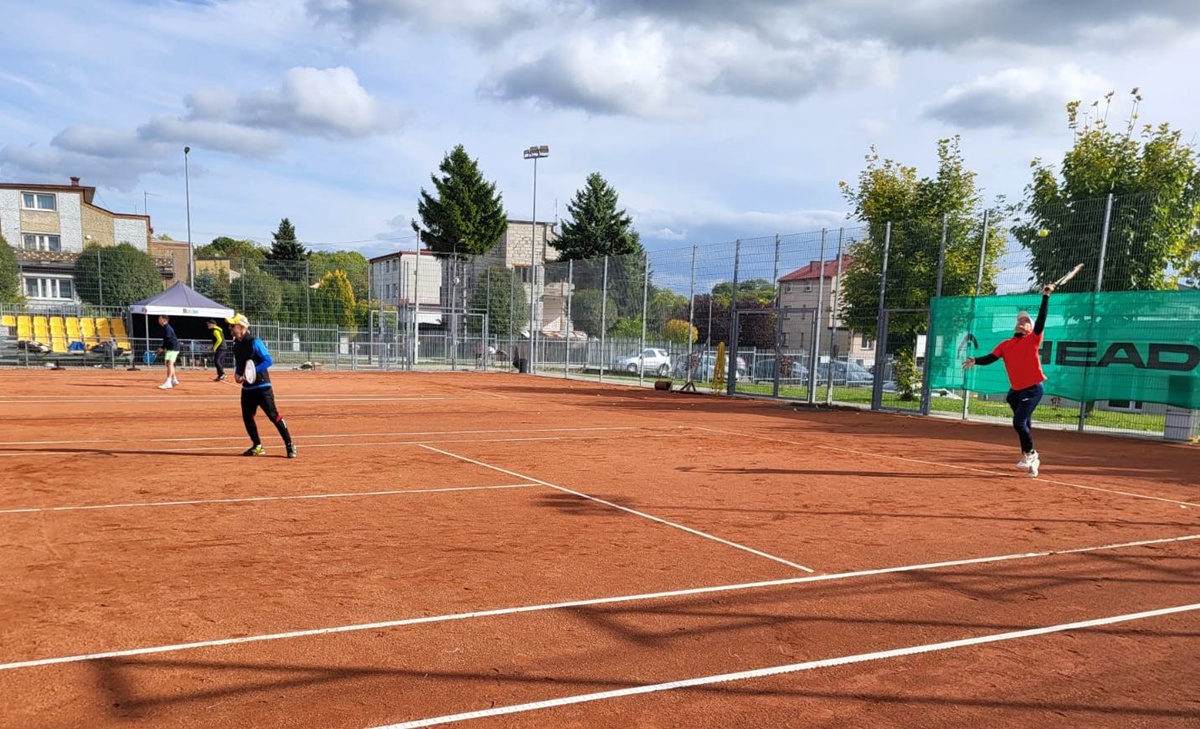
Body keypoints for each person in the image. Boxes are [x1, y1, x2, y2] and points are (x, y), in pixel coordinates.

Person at [963, 284, 1056, 477]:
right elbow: (991, 357)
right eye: (1019, 320)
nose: (1021, 321)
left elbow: (1041, 320)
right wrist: (976, 360)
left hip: (1033, 388)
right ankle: (1033, 460)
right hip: (1016, 392)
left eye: (1026, 321)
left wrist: (1046, 296)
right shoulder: (1006, 344)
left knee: (1019, 422)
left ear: (1030, 328)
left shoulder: (1033, 339)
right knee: (1024, 424)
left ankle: (1030, 454)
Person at [227, 313, 297, 458]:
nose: (230, 328)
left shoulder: (255, 342)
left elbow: (268, 361)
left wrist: (252, 371)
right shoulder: (236, 346)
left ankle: (289, 444)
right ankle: (257, 445)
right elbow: (240, 365)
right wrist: (237, 375)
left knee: (273, 416)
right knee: (247, 417)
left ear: (241, 327)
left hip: (262, 387)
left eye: (233, 326)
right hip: (247, 389)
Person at [156, 315, 181, 390]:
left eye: (160, 319)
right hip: (171, 348)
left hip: (173, 348)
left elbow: (168, 339)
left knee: (170, 364)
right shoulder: (165, 327)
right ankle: (174, 380)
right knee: (168, 364)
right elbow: (167, 339)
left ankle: (168, 383)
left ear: (164, 320)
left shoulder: (167, 328)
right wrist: (163, 347)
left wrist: (162, 348)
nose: (158, 320)